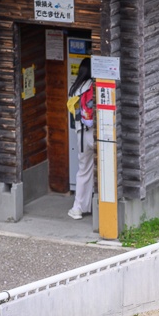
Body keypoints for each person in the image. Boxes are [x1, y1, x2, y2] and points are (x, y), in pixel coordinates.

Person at [68, 57, 95, 220]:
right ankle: (96, 204)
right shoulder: (93, 85)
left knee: (84, 170)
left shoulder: (74, 89)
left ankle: (78, 208)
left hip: (81, 136)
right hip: (94, 133)